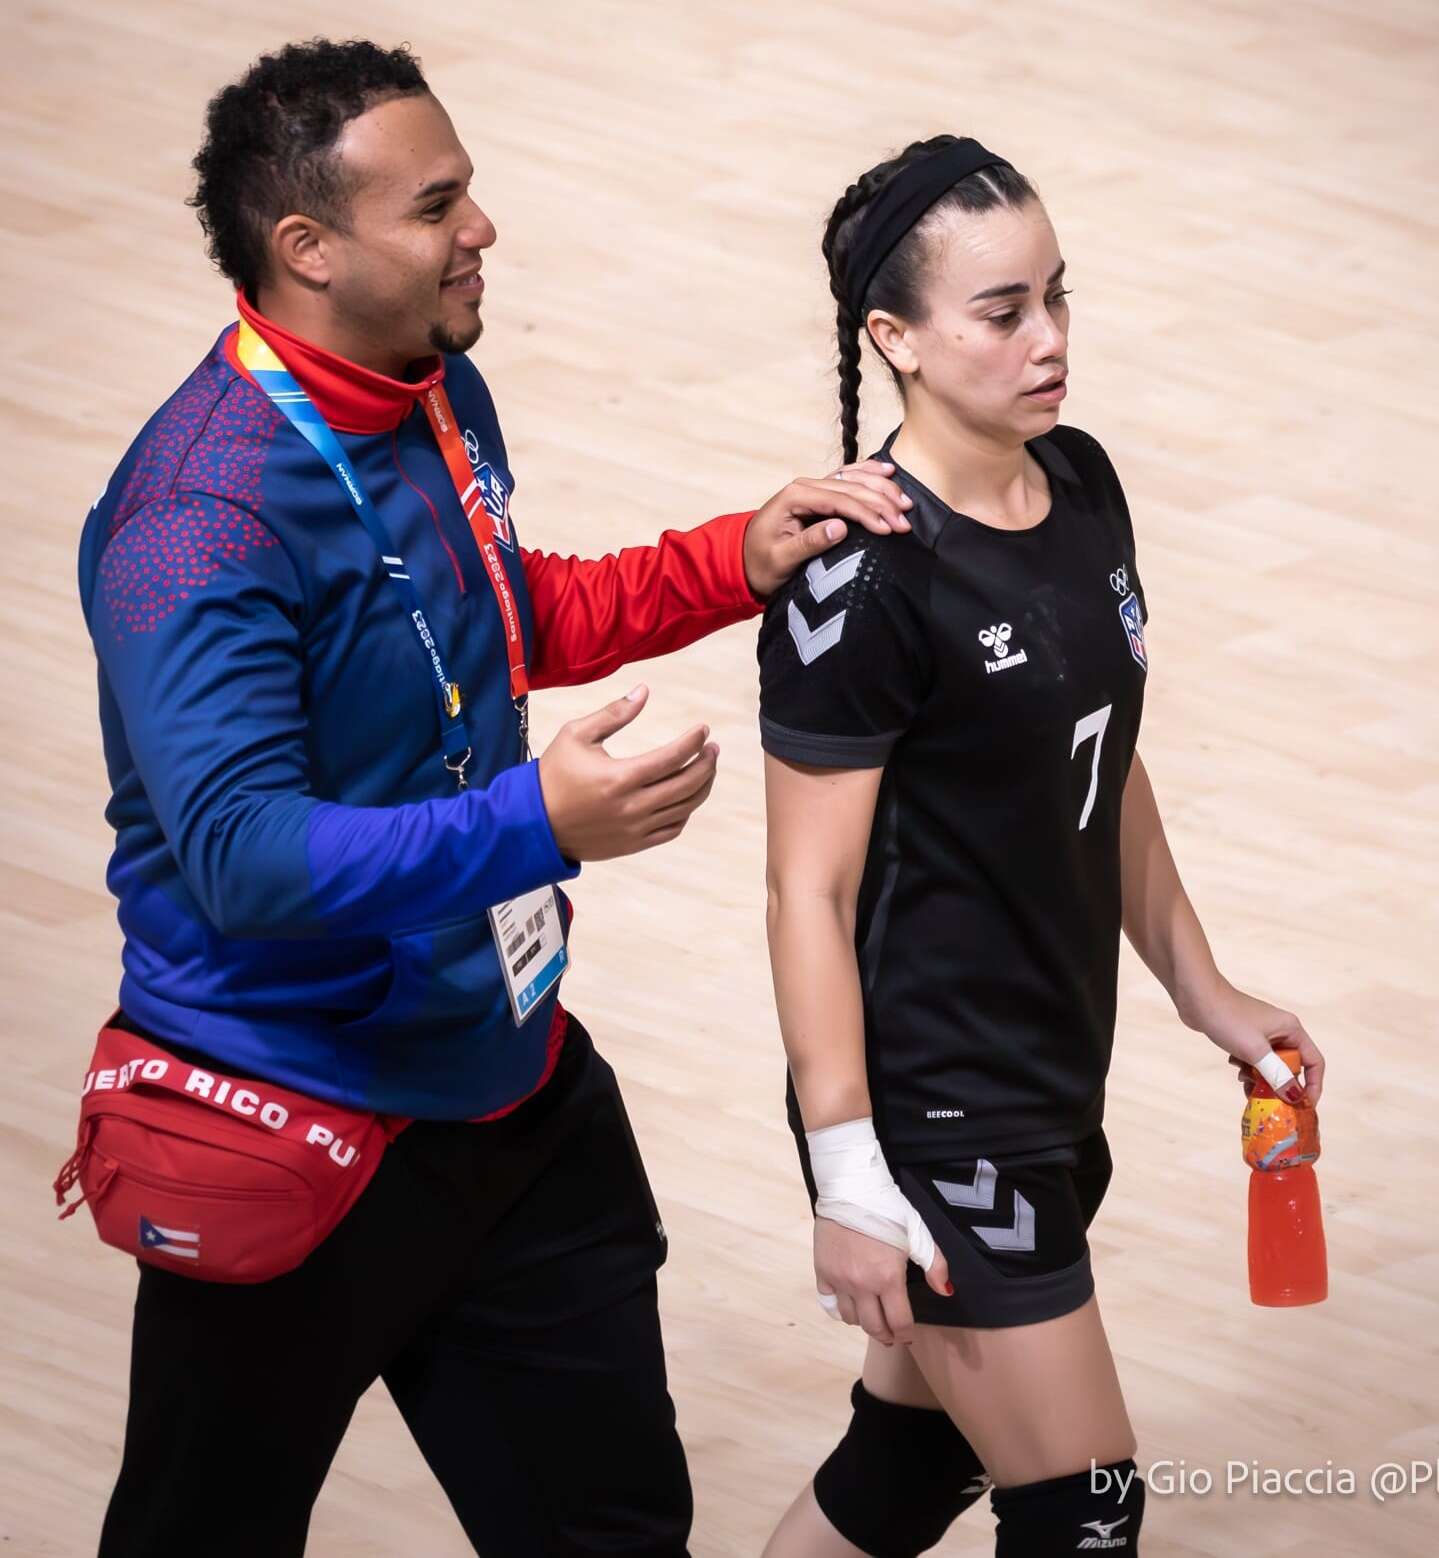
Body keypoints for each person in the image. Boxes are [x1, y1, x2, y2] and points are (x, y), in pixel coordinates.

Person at [75, 39, 916, 1558]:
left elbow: (482, 616)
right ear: (308, 248)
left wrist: (728, 559)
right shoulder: (193, 521)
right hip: (292, 1124)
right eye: (435, 206)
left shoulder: (429, 387)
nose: (481, 229)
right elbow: (243, 856)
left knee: (615, 1531)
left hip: (507, 1086)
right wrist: (541, 822)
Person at [756, 135, 1328, 1557]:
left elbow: (1098, 759)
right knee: (1085, 1507)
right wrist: (846, 1170)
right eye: (1002, 312)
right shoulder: (859, 579)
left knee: (900, 1472)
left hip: (1053, 1072)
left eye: (1057, 296)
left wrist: (1201, 988)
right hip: (934, 1111)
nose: (1050, 339)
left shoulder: (1078, 483)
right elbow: (806, 891)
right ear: (893, 338)